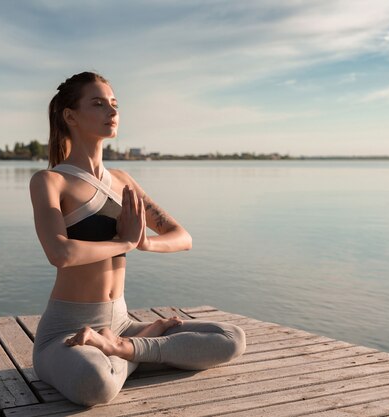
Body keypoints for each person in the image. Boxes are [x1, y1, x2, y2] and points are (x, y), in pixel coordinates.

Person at [29, 72, 246, 406]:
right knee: (95, 384)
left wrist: (144, 242)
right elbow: (60, 252)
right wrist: (125, 243)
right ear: (70, 116)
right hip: (66, 330)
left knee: (231, 338)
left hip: (120, 322)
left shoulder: (122, 180)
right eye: (98, 104)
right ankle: (139, 348)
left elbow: (181, 237)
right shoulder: (50, 181)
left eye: (115, 104)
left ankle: (122, 348)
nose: (112, 112)